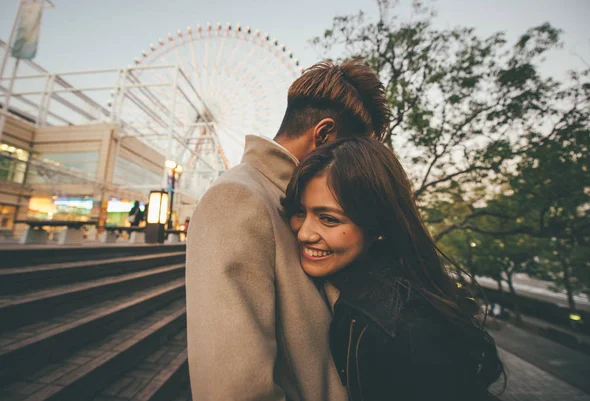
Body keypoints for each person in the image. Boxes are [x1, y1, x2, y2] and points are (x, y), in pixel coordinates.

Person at [185, 59, 391, 401]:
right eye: (347, 151)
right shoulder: (237, 198)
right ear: (323, 135)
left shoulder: (293, 199)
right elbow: (233, 390)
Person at [282, 137, 506, 401]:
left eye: (328, 219)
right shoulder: (359, 288)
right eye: (300, 212)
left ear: (375, 226)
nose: (304, 234)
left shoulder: (400, 327)